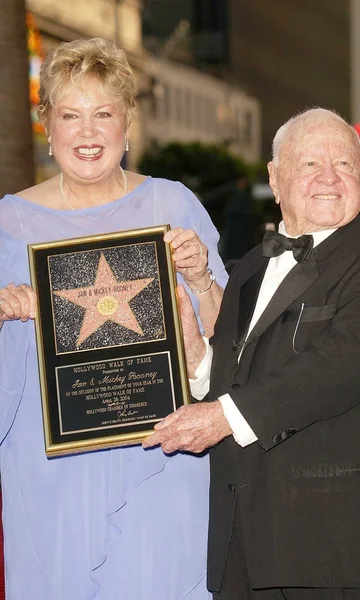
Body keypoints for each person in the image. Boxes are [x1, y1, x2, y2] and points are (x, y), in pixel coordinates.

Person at [0, 37, 228, 600]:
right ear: (47, 127)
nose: (88, 131)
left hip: (160, 455)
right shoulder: (8, 224)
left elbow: (234, 339)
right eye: (70, 115)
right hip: (49, 468)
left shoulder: (172, 206)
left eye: (104, 113)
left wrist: (200, 279)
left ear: (127, 124)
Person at [144, 108, 360, 600]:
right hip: (243, 547)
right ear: (275, 177)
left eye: (344, 164)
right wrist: (198, 358)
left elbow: (339, 364)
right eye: (309, 165)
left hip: (336, 549)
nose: (329, 177)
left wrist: (220, 416)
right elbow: (232, 378)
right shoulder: (249, 268)